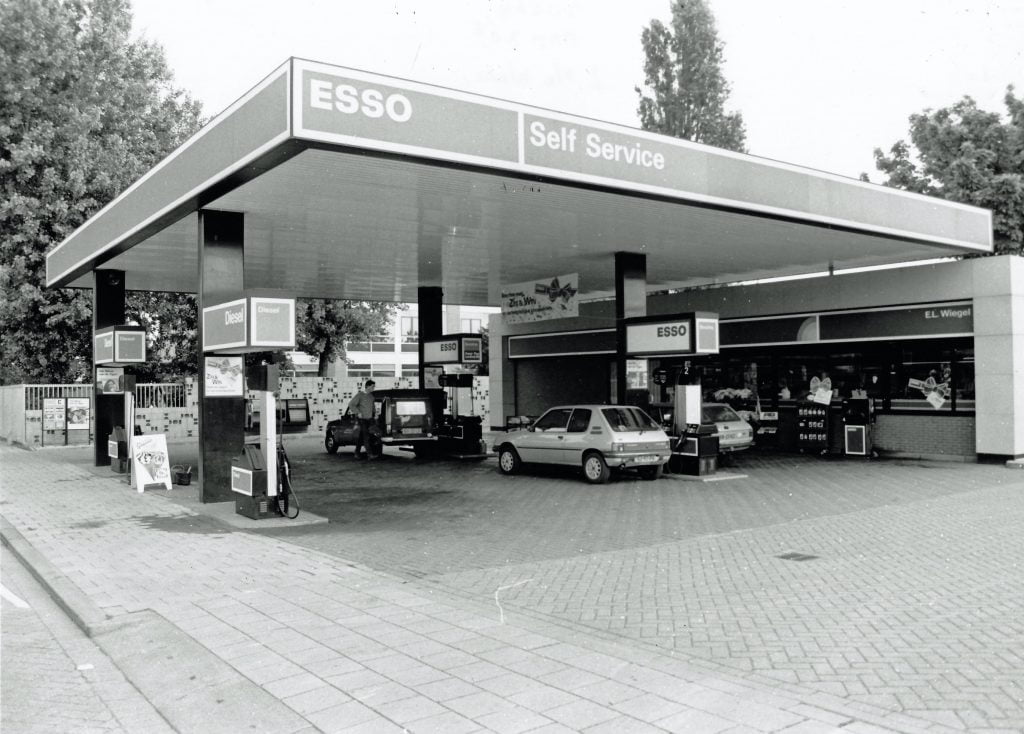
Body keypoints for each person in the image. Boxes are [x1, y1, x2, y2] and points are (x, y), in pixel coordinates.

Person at [347, 379, 377, 460]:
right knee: (366, 436)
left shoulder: (371, 397)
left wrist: (375, 414)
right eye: (372, 386)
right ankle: (370, 454)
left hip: (369, 419)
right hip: (362, 419)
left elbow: (373, 407)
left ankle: (357, 453)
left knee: (362, 436)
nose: (373, 388)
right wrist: (358, 412)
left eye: (374, 387)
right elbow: (351, 404)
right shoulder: (360, 395)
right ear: (367, 386)